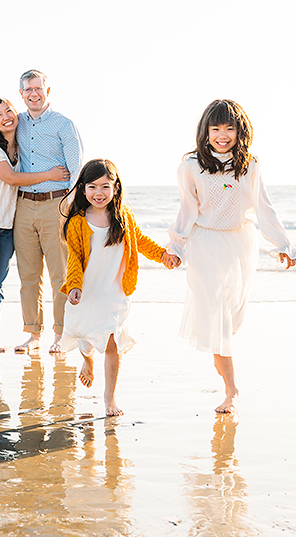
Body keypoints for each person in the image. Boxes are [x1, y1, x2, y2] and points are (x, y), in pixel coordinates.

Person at [166, 99, 296, 413]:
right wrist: (176, 247)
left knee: (231, 317)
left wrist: (283, 244)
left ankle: (226, 376)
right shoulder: (190, 166)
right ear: (206, 131)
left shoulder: (249, 165)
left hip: (240, 242)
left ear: (241, 131)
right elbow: (187, 210)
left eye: (230, 128)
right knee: (218, 316)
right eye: (216, 129)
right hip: (204, 244)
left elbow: (263, 208)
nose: (222, 135)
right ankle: (232, 390)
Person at [0, 70, 83, 353]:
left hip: (55, 204)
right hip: (22, 205)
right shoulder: (16, 121)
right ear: (21, 94)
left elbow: (77, 168)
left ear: (48, 90)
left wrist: (69, 205)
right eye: (28, 90)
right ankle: (33, 334)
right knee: (28, 276)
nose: (33, 94)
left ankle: (61, 334)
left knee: (60, 274)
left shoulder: (64, 124)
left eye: (38, 88)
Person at [59, 159, 176, 416]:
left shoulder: (123, 217)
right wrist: (75, 286)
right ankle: (87, 362)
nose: (98, 193)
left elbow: (141, 242)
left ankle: (109, 399)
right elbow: (74, 258)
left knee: (111, 341)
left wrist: (163, 255)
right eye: (92, 187)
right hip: (87, 291)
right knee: (87, 339)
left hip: (114, 293)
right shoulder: (78, 221)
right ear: (82, 188)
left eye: (105, 186)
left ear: (115, 188)